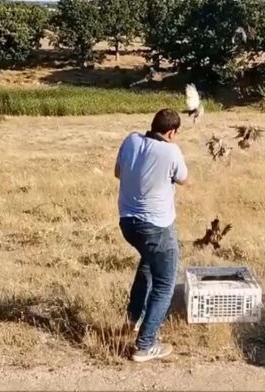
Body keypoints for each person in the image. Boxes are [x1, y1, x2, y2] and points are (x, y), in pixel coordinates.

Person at [115, 109, 189, 362]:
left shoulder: (131, 140)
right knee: (165, 284)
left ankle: (134, 319)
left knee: (148, 263)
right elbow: (183, 179)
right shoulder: (171, 151)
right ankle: (145, 345)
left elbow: (118, 172)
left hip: (128, 224)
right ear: (172, 132)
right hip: (156, 227)